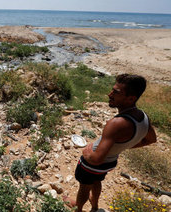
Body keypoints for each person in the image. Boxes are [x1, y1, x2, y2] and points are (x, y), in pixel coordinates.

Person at [64, 74, 157, 212]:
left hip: (93, 165)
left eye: (116, 92)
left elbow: (96, 159)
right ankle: (94, 206)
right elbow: (151, 139)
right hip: (110, 162)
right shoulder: (143, 117)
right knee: (97, 181)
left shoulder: (116, 124)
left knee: (84, 186)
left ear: (131, 98)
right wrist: (122, 147)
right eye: (112, 90)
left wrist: (87, 152)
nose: (110, 94)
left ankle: (78, 208)